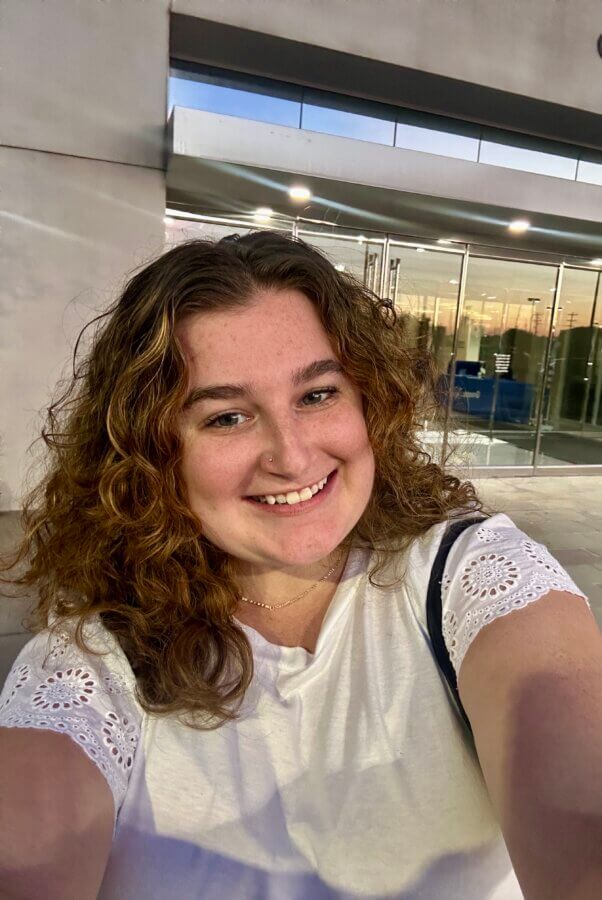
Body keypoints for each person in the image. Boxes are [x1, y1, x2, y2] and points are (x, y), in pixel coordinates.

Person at [0, 231, 600, 900]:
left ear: (369, 399)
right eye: (227, 417)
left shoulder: (469, 577)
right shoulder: (94, 662)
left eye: (317, 395)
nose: (291, 456)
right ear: (148, 453)